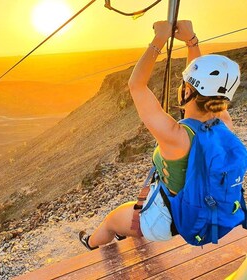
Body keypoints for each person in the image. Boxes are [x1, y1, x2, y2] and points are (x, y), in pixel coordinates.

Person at [79, 20, 241, 250]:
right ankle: (128, 230)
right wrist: (191, 41)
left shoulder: (175, 136)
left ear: (187, 91)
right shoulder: (224, 123)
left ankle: (90, 244)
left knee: (110, 222)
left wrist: (159, 39)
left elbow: (136, 85)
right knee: (132, 212)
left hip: (164, 221)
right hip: (200, 213)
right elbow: (206, 91)